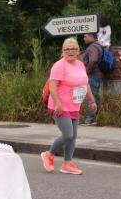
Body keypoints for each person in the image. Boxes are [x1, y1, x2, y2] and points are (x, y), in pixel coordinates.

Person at [41, 37, 97, 175]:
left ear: (78, 51)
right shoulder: (59, 65)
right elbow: (53, 87)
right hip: (59, 106)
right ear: (63, 51)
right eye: (67, 49)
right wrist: (58, 104)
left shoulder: (80, 65)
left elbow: (85, 84)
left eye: (74, 49)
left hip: (74, 106)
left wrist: (92, 101)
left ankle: (67, 164)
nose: (70, 51)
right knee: (68, 135)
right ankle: (49, 154)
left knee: (73, 136)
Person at [81, 32, 103, 125]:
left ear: (91, 37)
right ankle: (94, 118)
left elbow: (93, 60)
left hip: (92, 75)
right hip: (96, 75)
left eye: (85, 36)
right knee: (95, 95)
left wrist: (87, 72)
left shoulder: (92, 47)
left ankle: (91, 119)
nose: (83, 38)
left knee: (91, 96)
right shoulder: (97, 46)